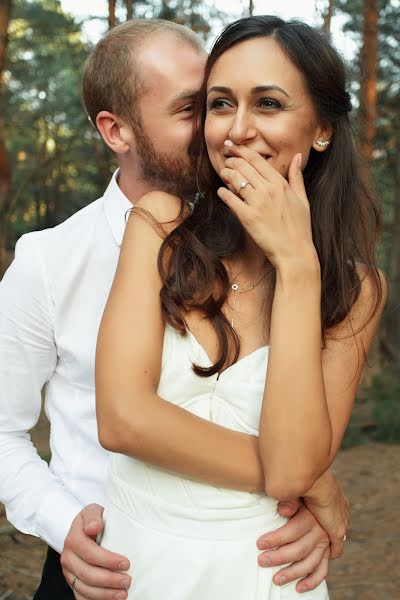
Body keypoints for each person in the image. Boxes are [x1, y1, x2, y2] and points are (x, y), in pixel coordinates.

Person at [0, 19, 348, 600]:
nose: (229, 131)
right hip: (98, 565)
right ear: (117, 130)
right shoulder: (49, 260)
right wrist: (63, 523)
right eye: (200, 107)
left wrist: (306, 474)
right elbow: (5, 431)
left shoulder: (270, 253)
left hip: (251, 560)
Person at [94, 15, 387, 600]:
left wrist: (298, 267)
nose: (237, 129)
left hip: (268, 574)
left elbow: (290, 471)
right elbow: (122, 419)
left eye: (269, 103)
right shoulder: (159, 225)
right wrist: (316, 484)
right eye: (221, 103)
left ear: (322, 129)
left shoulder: (356, 293)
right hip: (141, 567)